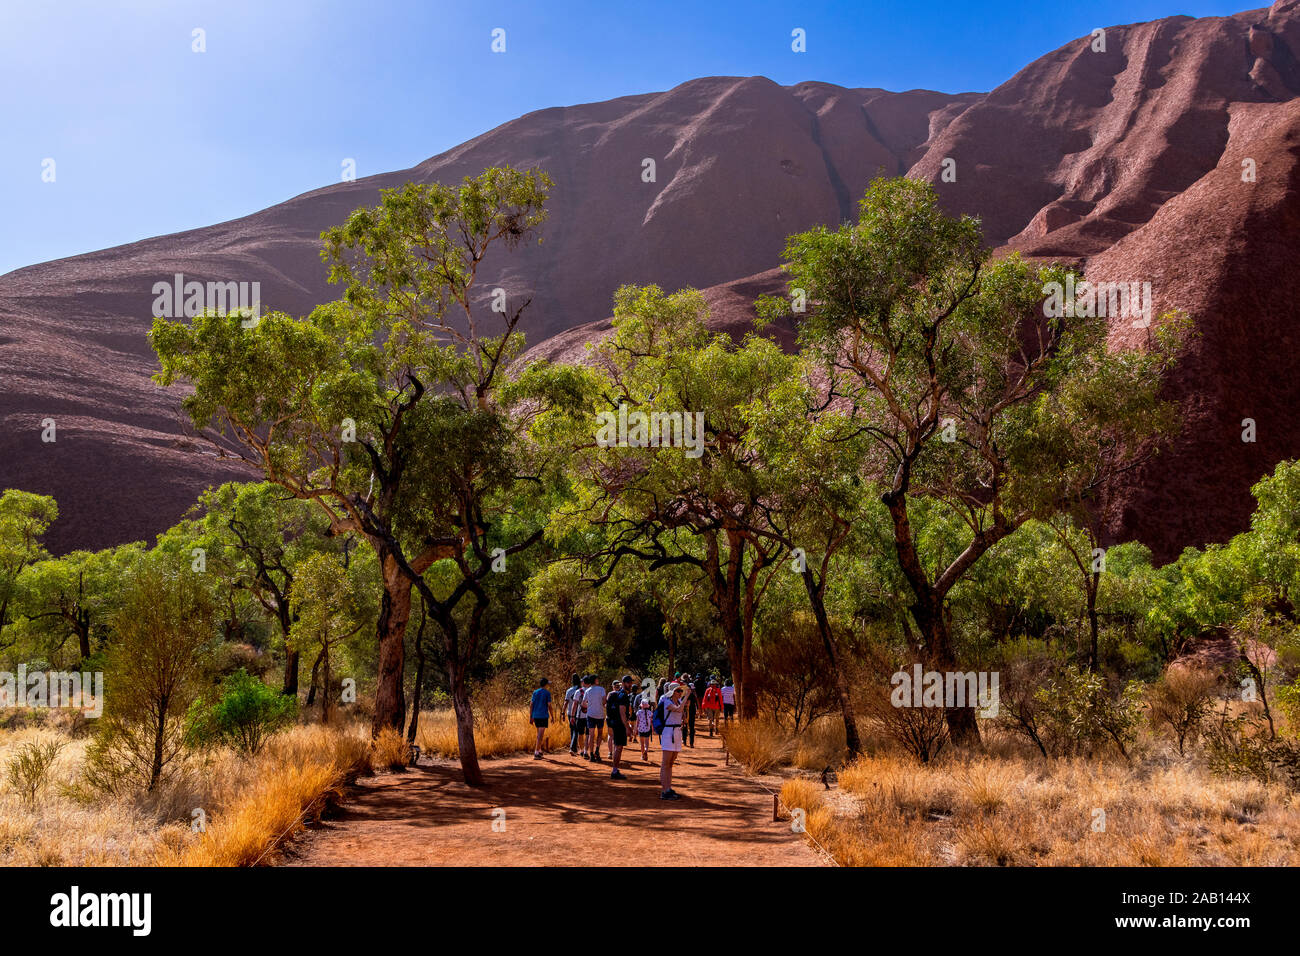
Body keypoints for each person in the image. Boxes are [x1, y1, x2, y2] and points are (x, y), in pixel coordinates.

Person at [659, 682, 687, 800]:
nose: (680, 693)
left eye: (681, 691)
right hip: (668, 732)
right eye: (678, 691)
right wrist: (687, 697)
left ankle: (668, 788)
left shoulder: (679, 701)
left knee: (671, 762)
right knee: (666, 763)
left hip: (676, 732)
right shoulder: (667, 701)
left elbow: (682, 714)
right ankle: (664, 790)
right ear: (673, 692)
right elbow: (678, 710)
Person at [606, 677, 631, 780]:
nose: (630, 684)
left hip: (615, 722)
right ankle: (615, 771)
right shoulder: (623, 695)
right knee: (618, 747)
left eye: (630, 683)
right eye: (628, 683)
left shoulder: (617, 694)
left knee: (617, 747)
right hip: (620, 724)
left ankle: (615, 770)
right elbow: (622, 712)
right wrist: (627, 727)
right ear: (624, 683)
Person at [583, 675, 607, 762]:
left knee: (591, 734)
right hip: (600, 714)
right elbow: (604, 701)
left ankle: (592, 754)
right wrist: (601, 705)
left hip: (590, 714)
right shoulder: (601, 689)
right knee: (600, 733)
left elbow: (583, 703)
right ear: (595, 680)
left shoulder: (588, 690)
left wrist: (589, 705)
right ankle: (597, 749)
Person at [530, 677, 552, 759]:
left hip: (536, 715)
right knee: (540, 734)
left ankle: (539, 751)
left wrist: (531, 716)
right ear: (546, 684)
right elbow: (549, 705)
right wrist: (552, 715)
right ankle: (536, 752)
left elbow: (531, 704)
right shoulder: (547, 693)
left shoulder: (535, 692)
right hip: (543, 715)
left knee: (539, 734)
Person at [563, 673, 584, 756]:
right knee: (576, 730)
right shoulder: (581, 690)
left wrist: (562, 712)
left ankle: (574, 748)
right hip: (578, 712)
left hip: (569, 712)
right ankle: (573, 748)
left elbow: (565, 702)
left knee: (573, 730)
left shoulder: (569, 690)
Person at [634, 693, 654, 761]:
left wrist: (636, 729)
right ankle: (646, 750)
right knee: (646, 742)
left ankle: (643, 755)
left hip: (640, 729)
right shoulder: (650, 712)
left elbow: (637, 721)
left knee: (641, 743)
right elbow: (651, 721)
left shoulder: (639, 712)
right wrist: (652, 728)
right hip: (647, 729)